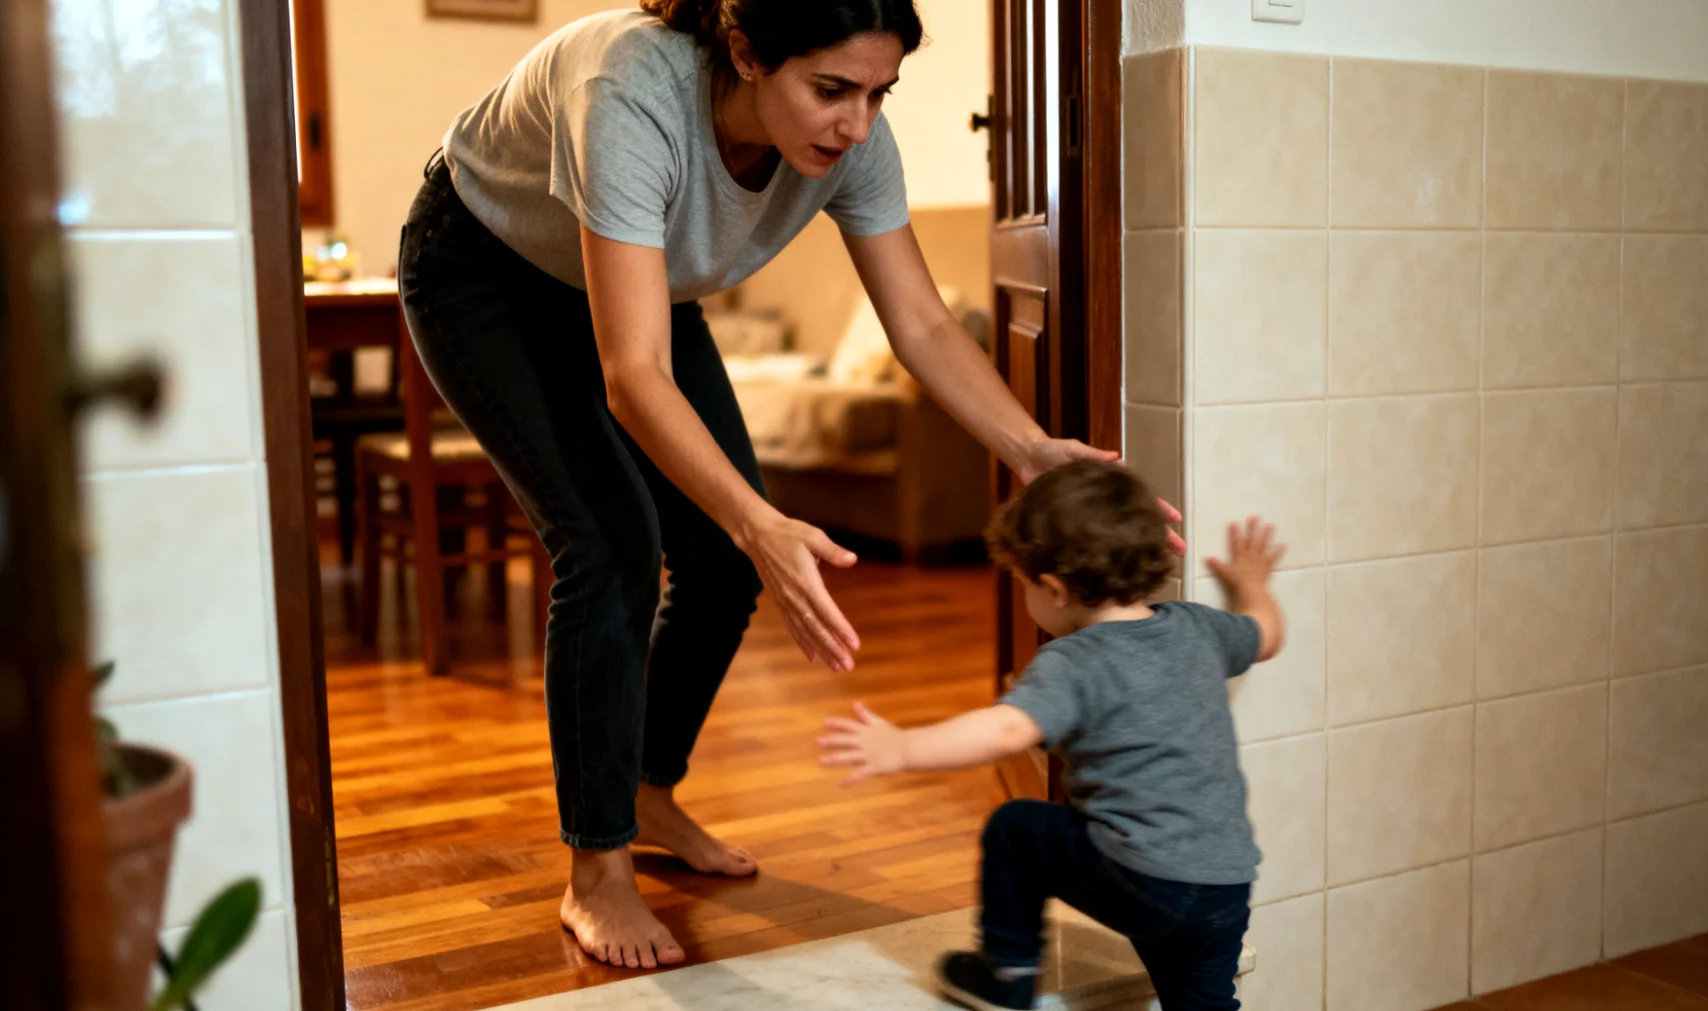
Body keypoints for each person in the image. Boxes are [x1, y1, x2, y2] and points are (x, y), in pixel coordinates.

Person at [397, 0, 1174, 972]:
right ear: (745, 52)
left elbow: (926, 326)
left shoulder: (856, 143)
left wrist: (1027, 447)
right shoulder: (627, 87)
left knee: (721, 565)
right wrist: (763, 520)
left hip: (641, 284)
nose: (856, 122)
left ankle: (643, 787)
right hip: (486, 271)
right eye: (832, 90)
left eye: (879, 92)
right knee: (609, 548)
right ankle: (595, 871)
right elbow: (632, 375)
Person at [819, 461, 1285, 1011]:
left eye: (1020, 584)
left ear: (1054, 589)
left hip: (1144, 879)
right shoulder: (1197, 626)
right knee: (1203, 1004)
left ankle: (1008, 975)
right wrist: (1252, 584)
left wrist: (903, 748)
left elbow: (1008, 728)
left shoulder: (1073, 661)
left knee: (1016, 830)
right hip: (1225, 886)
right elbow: (1267, 635)